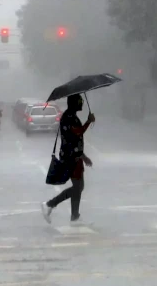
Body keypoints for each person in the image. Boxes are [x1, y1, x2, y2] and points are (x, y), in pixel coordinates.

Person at [41, 94, 95, 223]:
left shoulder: (71, 116)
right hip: (71, 157)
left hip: (75, 156)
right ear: (73, 103)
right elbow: (77, 132)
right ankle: (50, 204)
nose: (81, 103)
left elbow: (76, 139)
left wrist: (84, 156)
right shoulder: (68, 117)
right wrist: (88, 121)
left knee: (79, 186)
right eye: (79, 101)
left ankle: (74, 215)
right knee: (78, 186)